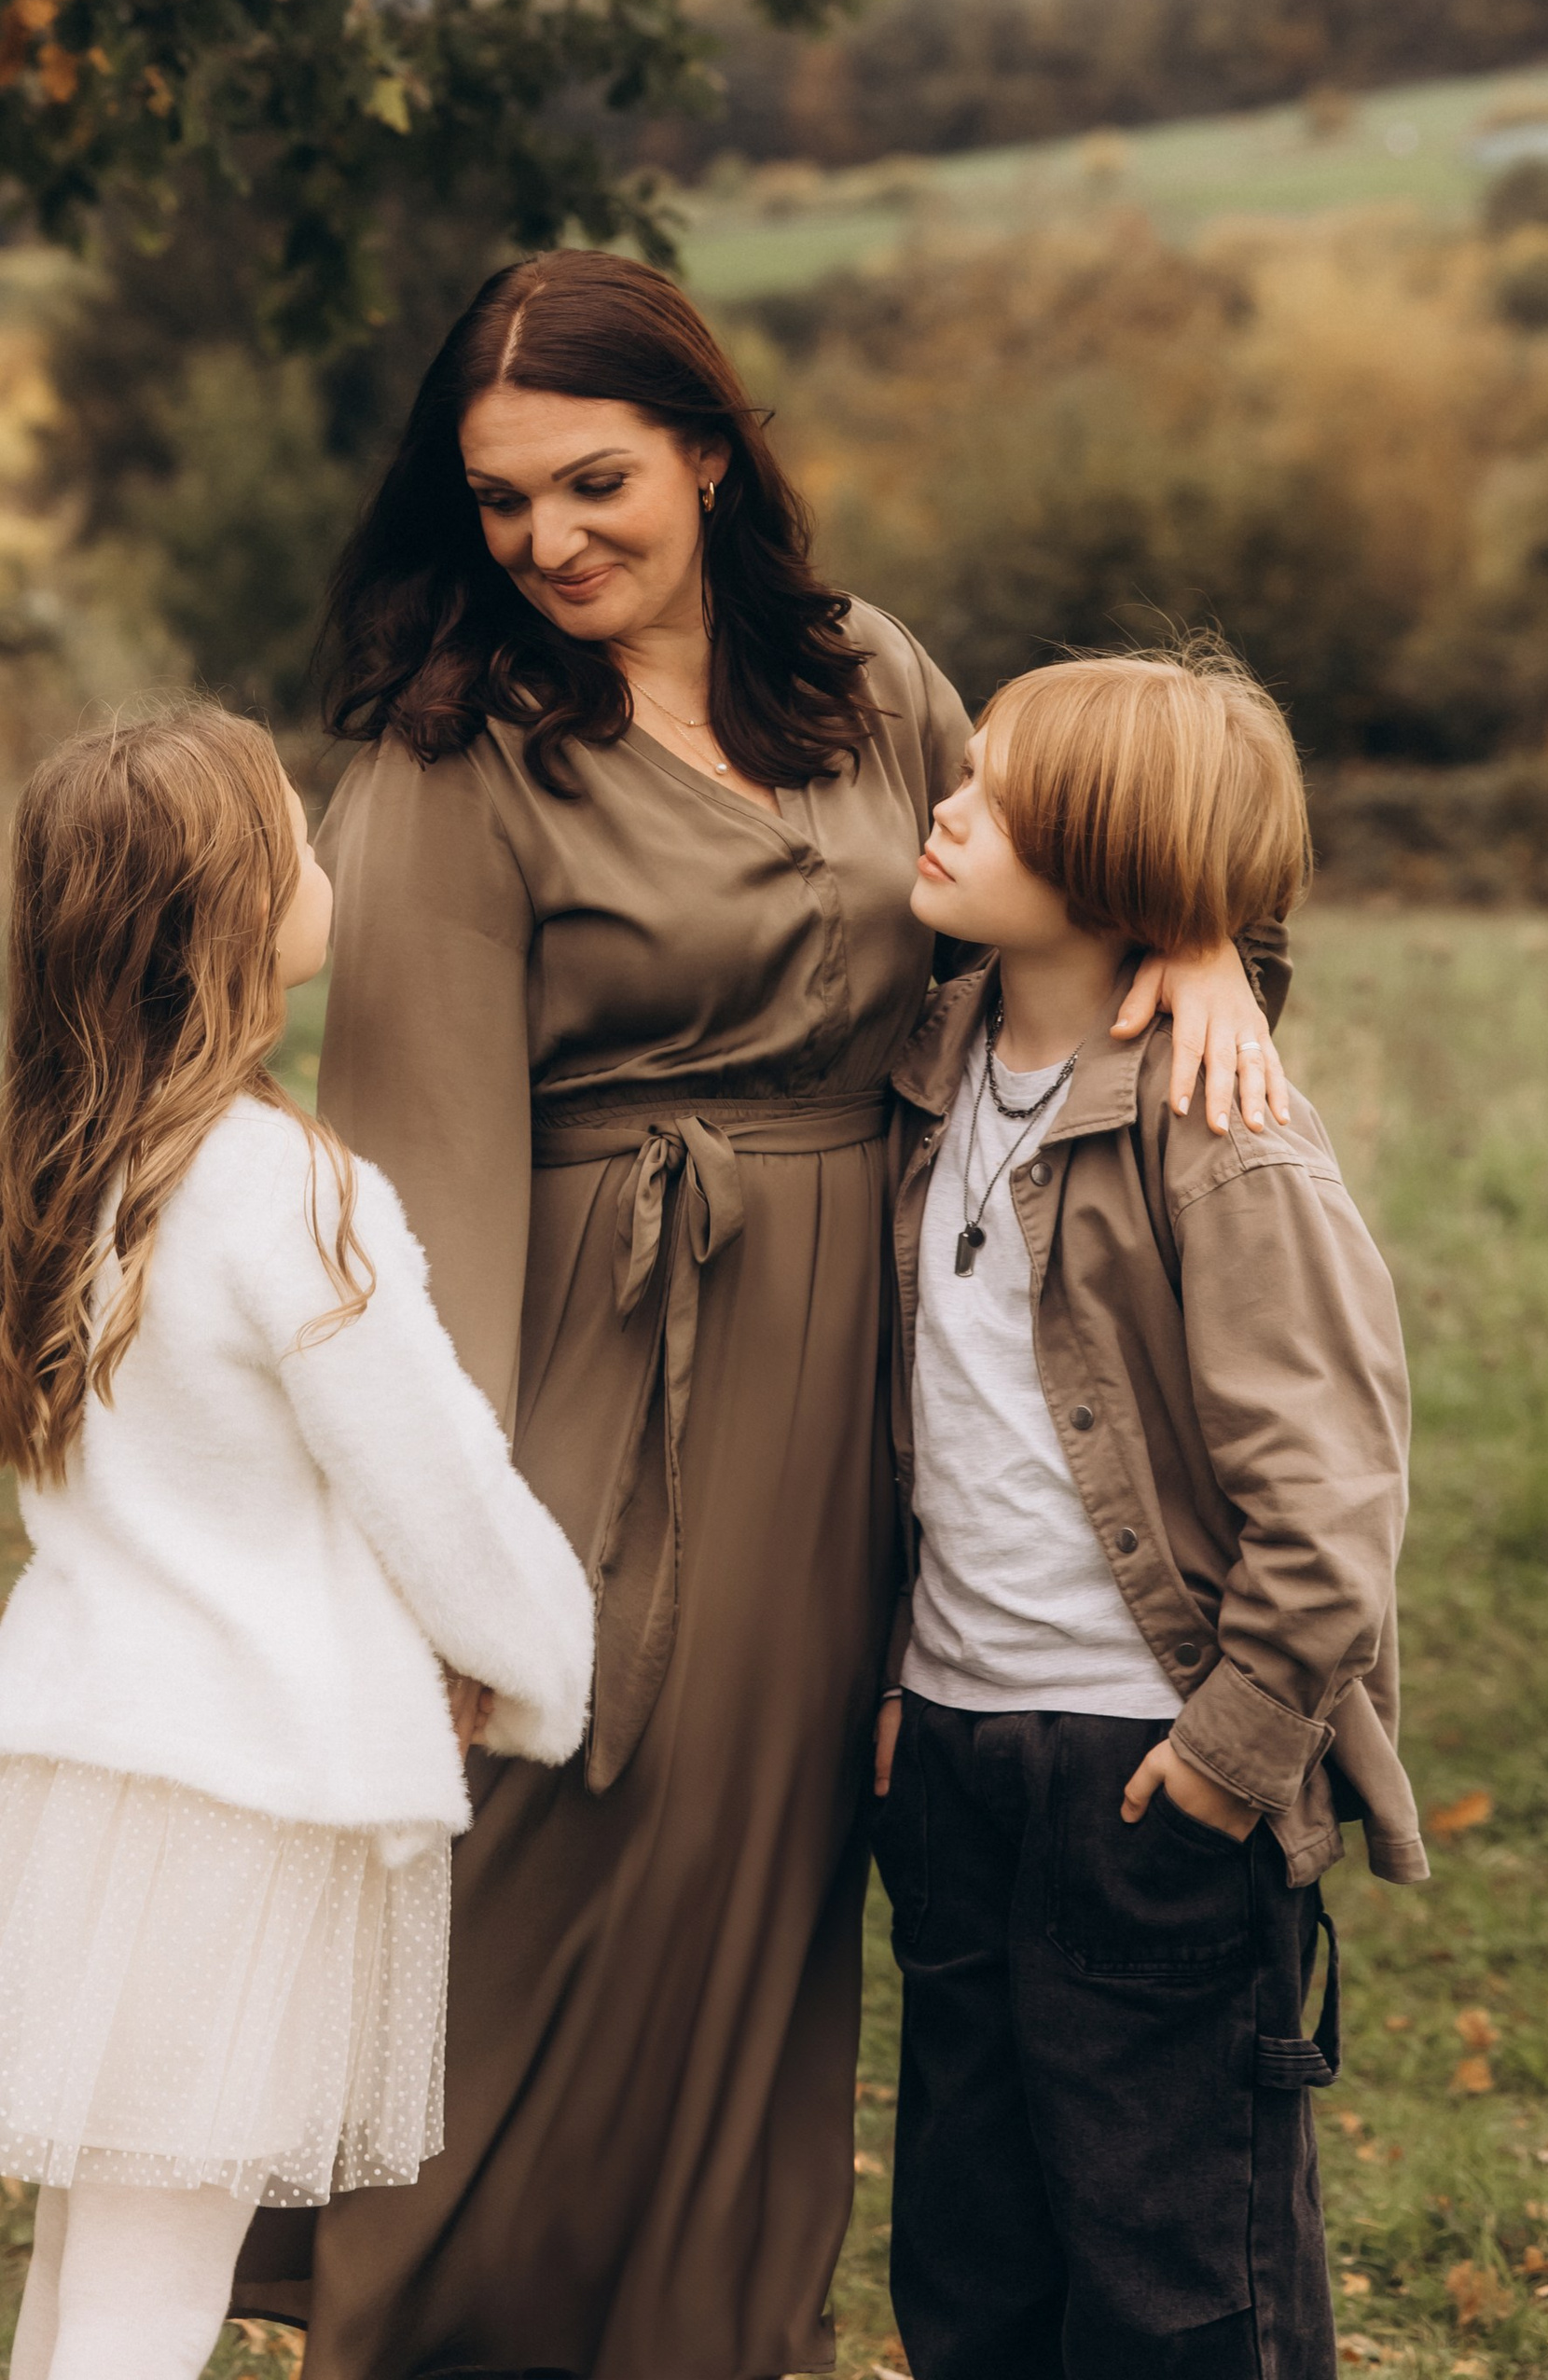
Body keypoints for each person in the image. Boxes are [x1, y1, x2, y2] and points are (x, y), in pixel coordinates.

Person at [267, 250, 1292, 2380]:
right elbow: (402, 1177)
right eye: (496, 499)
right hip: (576, 1369)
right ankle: (437, 2331)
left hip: (870, 1378)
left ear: (711, 455)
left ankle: (706, 2338)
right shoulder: (456, 764)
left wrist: (1195, 940)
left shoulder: (861, 678)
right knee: (532, 1862)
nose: (546, 541)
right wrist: (425, 1563)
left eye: (593, 479)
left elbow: (1053, 872)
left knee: (773, 1887)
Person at [0, 709, 594, 2380]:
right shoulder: (291, 1196)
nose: (330, 871)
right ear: (238, 917)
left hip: (89, 1768)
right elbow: (437, 1486)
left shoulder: (69, 1171)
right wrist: (544, 1660)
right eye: (302, 850)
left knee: (93, 2248)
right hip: (246, 1791)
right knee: (154, 2266)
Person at [874, 646, 1427, 2380]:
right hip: (957, 1753)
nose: (943, 803)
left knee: (1179, 2281)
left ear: (1107, 855)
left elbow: (1331, 1512)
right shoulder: (929, 1059)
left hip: (1146, 1769)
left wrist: (1221, 1763)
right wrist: (907, 1682)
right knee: (973, 2263)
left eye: (994, 788)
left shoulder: (1224, 1132)